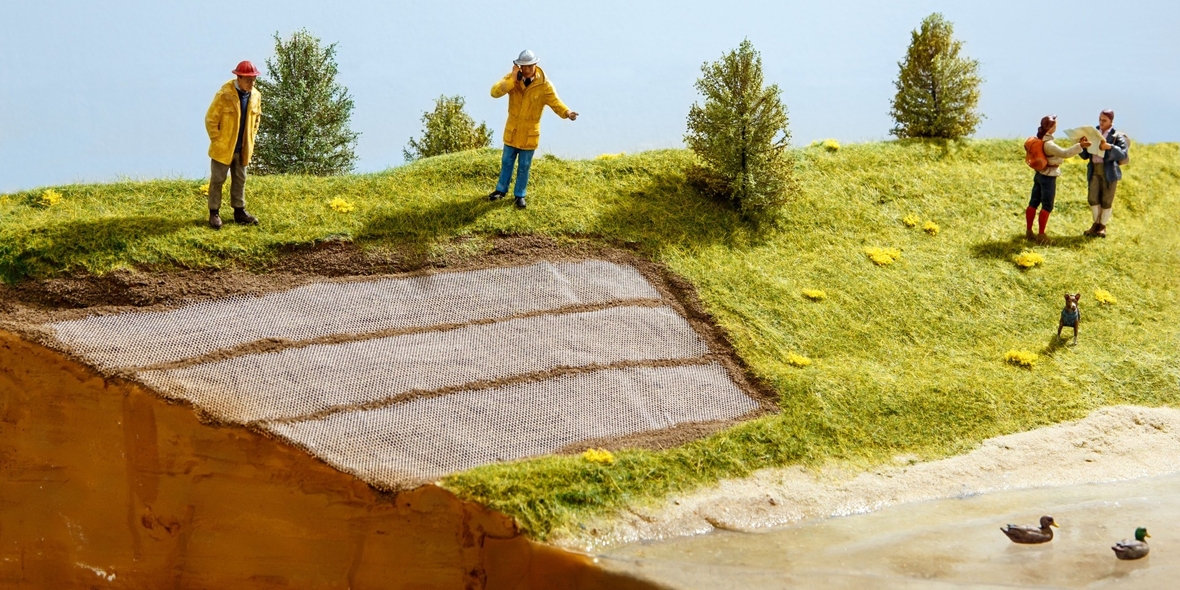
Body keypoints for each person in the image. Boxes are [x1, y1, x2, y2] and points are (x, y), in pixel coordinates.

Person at [488, 50, 578, 209]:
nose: (527, 69)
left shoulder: (544, 85)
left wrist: (567, 112)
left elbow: (555, 102)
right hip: (513, 130)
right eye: (523, 66)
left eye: (530, 66)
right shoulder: (512, 80)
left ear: (535, 65)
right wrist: (512, 80)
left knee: (524, 165)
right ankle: (501, 190)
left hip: (530, 133)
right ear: (518, 66)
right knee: (506, 162)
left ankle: (519, 195)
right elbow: (495, 92)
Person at [204, 61, 263, 230]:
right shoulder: (225, 95)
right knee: (217, 179)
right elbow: (211, 119)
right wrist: (218, 140)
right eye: (248, 80)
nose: (251, 83)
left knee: (240, 179)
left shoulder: (256, 96)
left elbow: (256, 118)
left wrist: (251, 136)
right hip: (223, 149)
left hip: (242, 148)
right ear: (238, 77)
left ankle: (239, 211)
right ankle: (214, 212)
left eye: (254, 80)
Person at [1026, 115, 1087, 244]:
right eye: (1055, 125)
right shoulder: (1048, 144)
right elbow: (1065, 153)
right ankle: (1041, 235)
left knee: (1033, 202)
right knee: (1047, 205)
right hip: (1048, 176)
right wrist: (1080, 145)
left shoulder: (1039, 139)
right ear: (1050, 128)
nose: (1056, 127)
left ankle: (1029, 231)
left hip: (1039, 174)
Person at [1078, 109, 1129, 238]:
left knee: (1106, 199)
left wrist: (1110, 147)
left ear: (1111, 121)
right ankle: (1095, 223)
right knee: (1093, 198)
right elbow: (1085, 155)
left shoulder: (1117, 135)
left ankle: (1102, 225)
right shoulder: (1093, 133)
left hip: (1109, 171)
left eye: (1104, 120)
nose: (1101, 122)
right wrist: (1081, 145)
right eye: (1100, 119)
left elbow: (1123, 153)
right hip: (1094, 169)